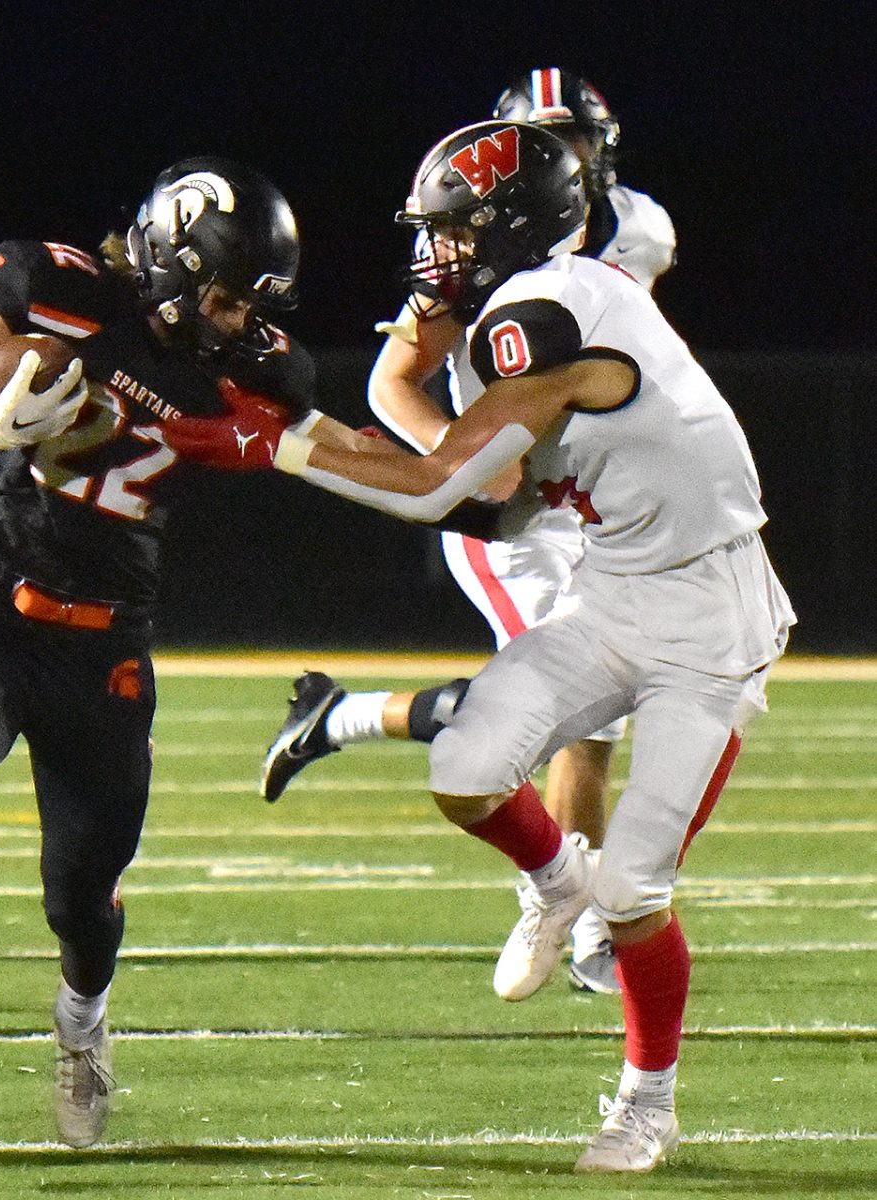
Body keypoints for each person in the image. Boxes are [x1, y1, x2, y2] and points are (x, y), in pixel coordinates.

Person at [168, 120, 793, 1172]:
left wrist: (280, 442)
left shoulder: (541, 317)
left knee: (636, 888)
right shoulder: (538, 303)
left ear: (510, 229)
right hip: (614, 590)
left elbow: (437, 485)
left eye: (454, 232)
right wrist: (323, 437)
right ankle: (554, 880)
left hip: (712, 620)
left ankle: (647, 1104)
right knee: (465, 769)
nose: (434, 253)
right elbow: (492, 506)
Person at [0, 157, 317, 1148]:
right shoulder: (61, 291)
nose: (229, 319)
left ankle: (82, 1035)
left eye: (244, 302)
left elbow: (296, 419)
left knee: (80, 897)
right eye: (220, 292)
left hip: (109, 643)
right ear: (170, 254)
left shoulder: (249, 366)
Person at [260, 68, 678, 997]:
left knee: (592, 715)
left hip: (590, 498)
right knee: (585, 703)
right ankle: (583, 919)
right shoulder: (473, 246)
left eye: (574, 137)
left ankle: (343, 716)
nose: (565, 155)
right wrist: (460, 458)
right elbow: (390, 380)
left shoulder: (638, 230)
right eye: (545, 138)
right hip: (510, 522)